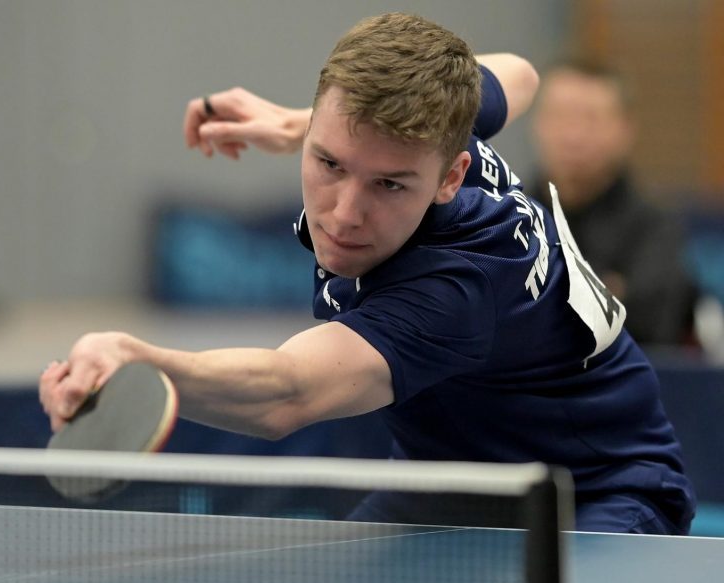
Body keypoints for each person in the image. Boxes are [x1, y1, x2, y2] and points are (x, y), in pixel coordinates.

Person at [40, 13, 695, 534]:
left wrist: (134, 357)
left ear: (451, 176)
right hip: (454, 478)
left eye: (388, 183)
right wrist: (298, 123)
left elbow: (285, 392)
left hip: (595, 491)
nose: (345, 214)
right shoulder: (441, 121)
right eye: (329, 161)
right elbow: (520, 74)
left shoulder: (456, 288)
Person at [529, 59, 695, 347]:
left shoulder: (656, 229)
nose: (573, 136)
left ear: (626, 129)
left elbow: (649, 325)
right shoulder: (502, 215)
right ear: (537, 123)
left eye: (591, 119)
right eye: (560, 116)